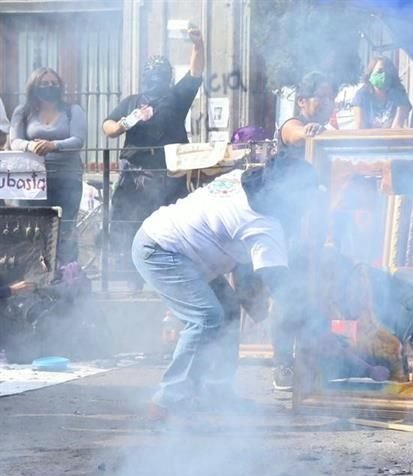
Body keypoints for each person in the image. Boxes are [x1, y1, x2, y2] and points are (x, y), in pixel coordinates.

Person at [131, 155, 321, 420]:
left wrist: (258, 308)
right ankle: (166, 404)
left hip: (178, 248)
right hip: (161, 250)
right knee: (206, 318)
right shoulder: (263, 226)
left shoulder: (242, 178)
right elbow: (281, 289)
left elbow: (246, 271)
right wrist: (317, 331)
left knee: (228, 309)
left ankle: (216, 393)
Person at [103, 27, 204, 289]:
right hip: (135, 174)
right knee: (128, 224)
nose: (156, 77)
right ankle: (132, 278)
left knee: (171, 230)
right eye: (153, 73)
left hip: (169, 175)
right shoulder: (132, 101)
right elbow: (109, 128)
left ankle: (170, 280)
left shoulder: (176, 97)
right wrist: (130, 119)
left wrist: (198, 45)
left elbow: (195, 75)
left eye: (161, 73)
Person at [271, 72, 336, 391]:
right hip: (289, 227)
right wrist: (310, 133)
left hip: (316, 226)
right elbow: (295, 134)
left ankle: (311, 364)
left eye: (330, 96)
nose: (326, 103)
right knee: (288, 296)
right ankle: (283, 365)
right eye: (319, 96)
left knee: (316, 294)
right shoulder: (293, 125)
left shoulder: (329, 134)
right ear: (302, 101)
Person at [9, 68, 87, 264]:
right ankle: (34, 274)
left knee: (65, 229)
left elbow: (78, 140)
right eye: (45, 83)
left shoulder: (73, 110)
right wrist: (30, 145)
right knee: (33, 228)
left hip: (67, 178)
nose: (50, 87)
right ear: (34, 86)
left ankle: (66, 275)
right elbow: (14, 141)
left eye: (54, 83)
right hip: (32, 181)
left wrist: (54, 145)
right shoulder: (23, 111)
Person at [277, 72, 336, 158]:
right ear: (301, 101)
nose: (328, 103)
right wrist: (309, 131)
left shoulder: (326, 130)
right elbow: (295, 132)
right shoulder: (291, 124)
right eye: (321, 96)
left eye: (331, 98)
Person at [351, 57, 411, 129]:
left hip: (392, 138)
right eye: (379, 71)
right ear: (370, 74)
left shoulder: (400, 95)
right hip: (367, 138)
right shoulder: (361, 95)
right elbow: (359, 127)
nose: (384, 75)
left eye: (387, 72)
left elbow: (398, 126)